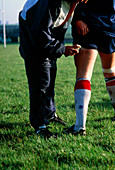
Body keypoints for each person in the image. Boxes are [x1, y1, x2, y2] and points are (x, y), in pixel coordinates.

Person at [19, 0, 88, 138]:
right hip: (34, 44)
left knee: (49, 80)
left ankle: (50, 115)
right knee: (41, 85)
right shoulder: (47, 3)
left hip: (47, 42)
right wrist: (62, 49)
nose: (83, 1)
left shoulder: (70, 1)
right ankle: (40, 126)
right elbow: (39, 35)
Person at [65, 0, 115, 135]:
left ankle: (80, 126)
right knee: (110, 71)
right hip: (111, 27)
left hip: (87, 25)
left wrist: (77, 19)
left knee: (83, 75)